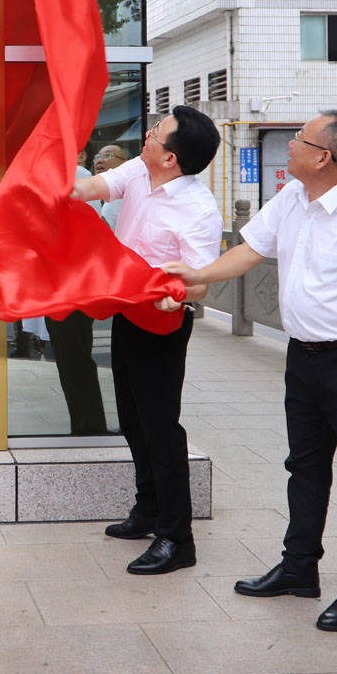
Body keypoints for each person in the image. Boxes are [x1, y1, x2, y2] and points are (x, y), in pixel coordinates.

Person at [162, 110, 337, 631]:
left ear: (324, 156)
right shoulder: (293, 198)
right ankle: (299, 568)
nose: (290, 144)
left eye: (299, 139)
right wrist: (198, 274)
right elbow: (251, 250)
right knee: (305, 468)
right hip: (304, 357)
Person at [71, 106, 222, 574]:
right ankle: (148, 509)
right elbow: (89, 190)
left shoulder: (199, 209)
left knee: (161, 428)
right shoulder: (137, 169)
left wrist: (173, 294)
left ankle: (178, 538)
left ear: (172, 158)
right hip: (125, 311)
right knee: (133, 420)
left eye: (158, 133)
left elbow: (199, 283)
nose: (149, 134)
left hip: (163, 322)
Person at [43, 148, 108, 435]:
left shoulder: (79, 178)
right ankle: (84, 423)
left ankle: (89, 425)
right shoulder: (62, 178)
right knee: (71, 356)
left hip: (72, 282)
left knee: (74, 356)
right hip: (64, 281)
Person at [93, 143, 130, 230]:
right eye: (97, 157)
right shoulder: (99, 196)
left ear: (125, 163)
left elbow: (104, 233)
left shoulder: (121, 195)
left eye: (107, 155)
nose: (99, 161)